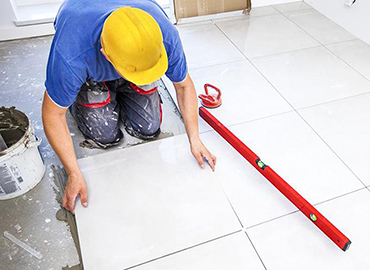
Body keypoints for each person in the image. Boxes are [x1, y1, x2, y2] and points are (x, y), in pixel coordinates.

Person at [42, 0, 217, 214]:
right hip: (90, 61)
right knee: (104, 134)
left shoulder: (162, 33)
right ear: (106, 54)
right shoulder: (72, 52)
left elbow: (183, 86)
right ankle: (87, 91)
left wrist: (195, 139)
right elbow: (53, 113)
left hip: (132, 56)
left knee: (148, 127)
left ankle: (127, 82)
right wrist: (74, 173)